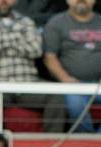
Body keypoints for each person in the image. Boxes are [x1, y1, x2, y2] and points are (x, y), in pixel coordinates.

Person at [0, 0, 65, 133]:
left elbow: (35, 49)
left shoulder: (26, 21)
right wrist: (18, 37)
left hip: (27, 83)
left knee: (56, 95)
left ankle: (52, 143)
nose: (3, 1)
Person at [43, 0, 101, 133]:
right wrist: (66, 80)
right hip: (71, 84)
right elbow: (49, 57)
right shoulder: (56, 22)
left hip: (99, 84)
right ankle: (87, 142)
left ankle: (98, 141)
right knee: (76, 106)